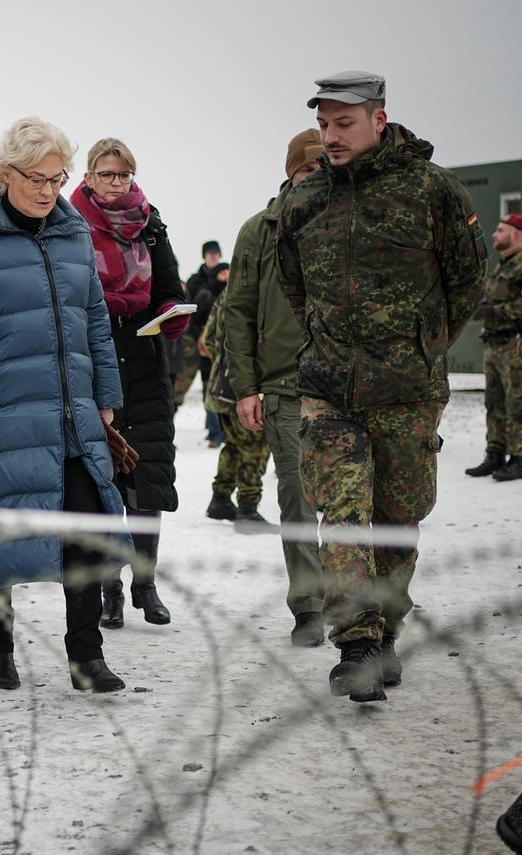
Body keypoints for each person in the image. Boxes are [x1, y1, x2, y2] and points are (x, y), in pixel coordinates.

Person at [278, 71, 485, 702]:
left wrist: (420, 346)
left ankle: (386, 628)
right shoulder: (306, 202)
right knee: (343, 513)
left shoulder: (432, 190)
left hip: (408, 390)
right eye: (324, 125)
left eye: (343, 123)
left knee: (397, 518)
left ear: (379, 117)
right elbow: (296, 287)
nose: (331, 137)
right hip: (328, 388)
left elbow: (466, 280)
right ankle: (358, 642)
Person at [0, 116, 137, 695]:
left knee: (86, 531)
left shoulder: (73, 235)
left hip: (71, 416)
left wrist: (106, 399)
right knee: (0, 532)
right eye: (36, 178)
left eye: (57, 178)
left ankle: (86, 657)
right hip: (0, 413)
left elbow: (94, 320)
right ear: (6, 174)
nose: (48, 190)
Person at [69, 137, 188, 629]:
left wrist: (171, 313)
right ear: (89, 176)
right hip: (93, 360)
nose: (117, 184)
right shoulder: (69, 223)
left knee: (148, 480)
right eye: (107, 174)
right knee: (102, 480)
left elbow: (168, 286)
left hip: (143, 358)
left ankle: (145, 581)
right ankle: (108, 588)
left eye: (124, 175)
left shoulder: (150, 224)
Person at [224, 128, 328, 647]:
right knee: (299, 497)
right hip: (287, 388)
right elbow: (237, 311)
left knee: (359, 501)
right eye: (308, 168)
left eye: (324, 166)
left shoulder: (350, 220)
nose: (317, 176)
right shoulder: (259, 230)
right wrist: (245, 386)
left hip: (348, 384)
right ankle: (309, 605)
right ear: (290, 172)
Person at [199, 285, 273, 528]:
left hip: (219, 386)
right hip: (245, 388)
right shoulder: (259, 292)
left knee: (233, 445)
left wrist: (223, 364)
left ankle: (220, 499)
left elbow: (207, 340)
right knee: (255, 447)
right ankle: (248, 508)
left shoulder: (225, 293)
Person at [465, 213, 522, 481]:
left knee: (517, 403)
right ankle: (495, 453)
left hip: (514, 344)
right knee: (494, 402)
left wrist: (493, 312)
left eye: (501, 230)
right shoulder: (503, 265)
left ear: (517, 234)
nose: (494, 234)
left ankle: (519, 458)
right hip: (494, 344)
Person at [175, 240, 226, 448]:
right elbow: (188, 309)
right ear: (204, 256)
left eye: (215, 253)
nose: (212, 256)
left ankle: (215, 432)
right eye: (209, 253)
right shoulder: (196, 281)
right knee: (180, 387)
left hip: (219, 345)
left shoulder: (228, 279)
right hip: (194, 342)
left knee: (212, 386)